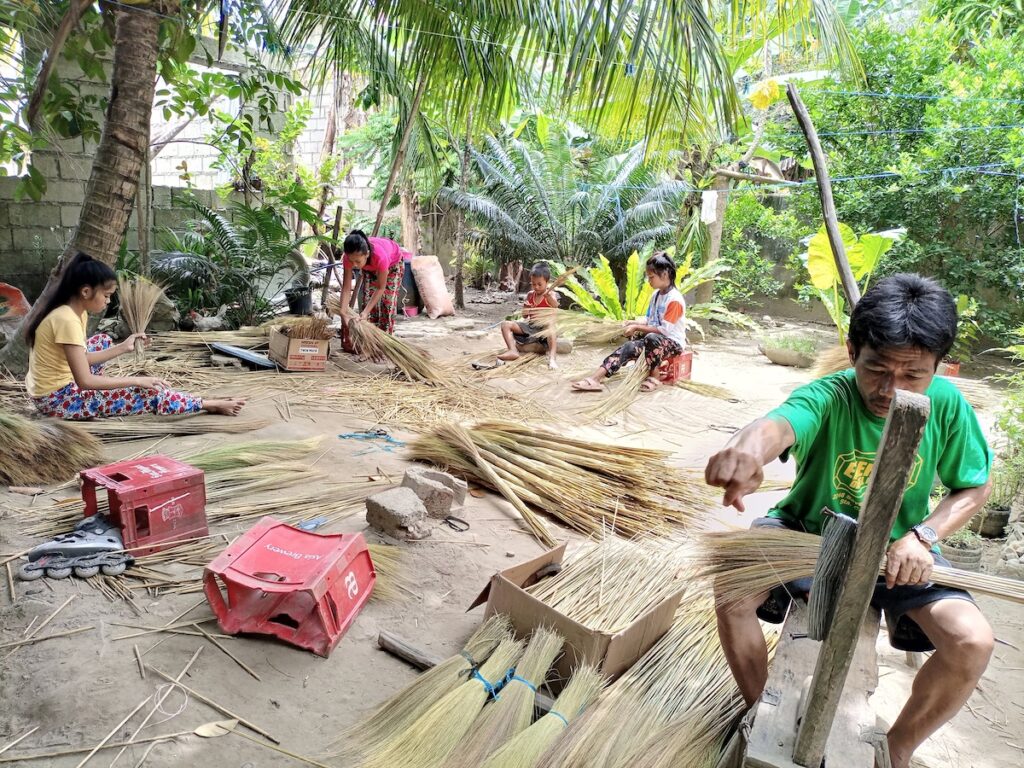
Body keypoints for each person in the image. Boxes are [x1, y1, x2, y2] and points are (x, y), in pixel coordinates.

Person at [704, 274, 994, 768]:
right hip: (805, 538)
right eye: (876, 369)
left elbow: (975, 486)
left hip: (898, 555)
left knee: (972, 641)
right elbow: (781, 423)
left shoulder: (948, 404)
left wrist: (925, 536)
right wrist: (748, 450)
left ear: (941, 367)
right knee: (731, 592)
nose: (890, 390)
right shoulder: (830, 394)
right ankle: (761, 711)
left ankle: (898, 748)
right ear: (852, 351)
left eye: (913, 376)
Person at [24, 253, 246, 420]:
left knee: (102, 340)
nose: (108, 302)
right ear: (85, 292)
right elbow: (85, 381)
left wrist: (123, 347)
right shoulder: (66, 320)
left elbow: (83, 359)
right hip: (56, 400)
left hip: (53, 385)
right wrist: (137, 380)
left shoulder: (74, 311)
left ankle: (111, 393)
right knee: (146, 393)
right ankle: (207, 404)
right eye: (106, 295)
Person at [571, 251, 686, 393]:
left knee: (651, 337)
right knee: (629, 347)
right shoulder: (656, 295)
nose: (649, 281)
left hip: (673, 342)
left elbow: (665, 331)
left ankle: (655, 377)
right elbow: (649, 320)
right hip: (654, 341)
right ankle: (595, 379)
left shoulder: (675, 300)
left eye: (651, 277)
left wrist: (637, 326)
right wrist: (631, 322)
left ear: (664, 274)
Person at [339, 230, 409, 334]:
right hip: (370, 266)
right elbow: (346, 287)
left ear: (366, 254)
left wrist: (365, 312)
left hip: (393, 264)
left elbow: (381, 288)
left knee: (387, 302)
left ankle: (385, 337)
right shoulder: (348, 258)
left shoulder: (380, 257)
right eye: (351, 261)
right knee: (367, 301)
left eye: (357, 261)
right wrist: (343, 312)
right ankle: (369, 337)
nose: (354, 265)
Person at [497, 261, 559, 369]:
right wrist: (526, 308)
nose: (536, 287)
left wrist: (548, 296)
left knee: (550, 326)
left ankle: (552, 358)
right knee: (505, 324)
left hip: (544, 330)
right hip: (531, 327)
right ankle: (512, 350)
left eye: (540, 284)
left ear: (547, 282)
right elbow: (525, 316)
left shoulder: (551, 294)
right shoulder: (530, 295)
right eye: (533, 284)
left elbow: (555, 305)